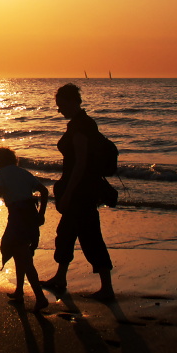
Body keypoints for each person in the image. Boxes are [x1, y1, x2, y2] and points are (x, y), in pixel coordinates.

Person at [42, 83, 115, 301]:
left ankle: (107, 289)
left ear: (72, 102)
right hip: (80, 189)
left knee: (91, 237)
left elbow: (80, 164)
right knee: (65, 234)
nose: (59, 110)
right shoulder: (79, 124)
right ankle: (60, 278)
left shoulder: (82, 126)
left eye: (61, 105)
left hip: (82, 192)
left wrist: (68, 193)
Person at [0, 147, 49, 312]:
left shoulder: (0, 174)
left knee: (22, 255)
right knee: (19, 252)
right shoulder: (23, 172)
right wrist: (41, 214)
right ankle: (19, 291)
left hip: (18, 216)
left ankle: (40, 298)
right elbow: (44, 191)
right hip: (31, 214)